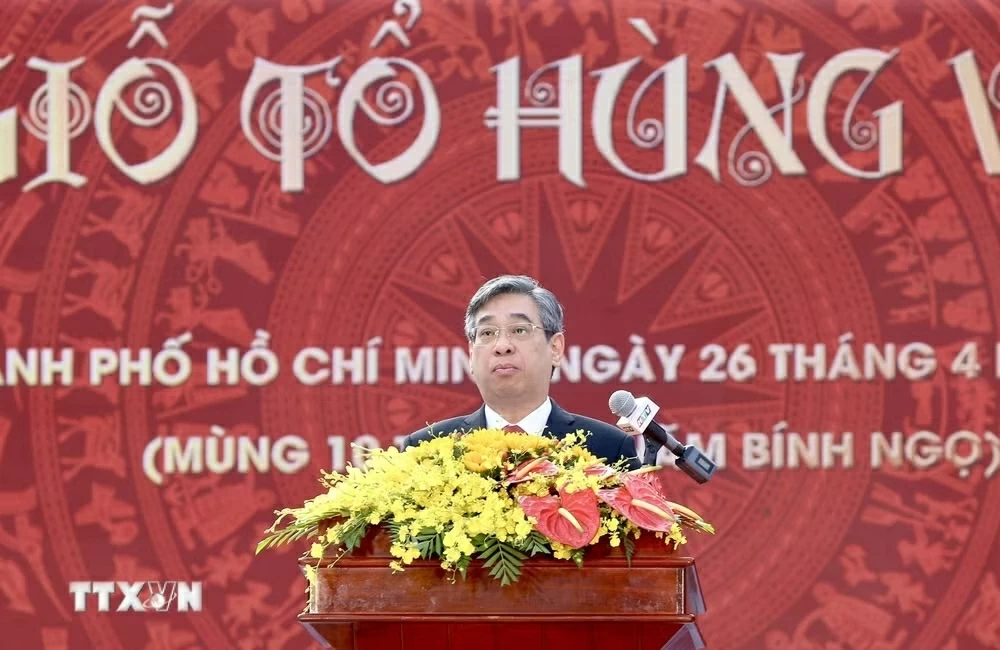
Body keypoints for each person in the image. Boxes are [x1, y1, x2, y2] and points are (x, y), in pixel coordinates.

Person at [400, 275, 642, 470]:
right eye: (487, 333)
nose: (502, 345)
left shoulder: (607, 448)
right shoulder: (426, 449)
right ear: (472, 354)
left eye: (519, 330)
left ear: (555, 348)